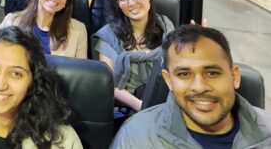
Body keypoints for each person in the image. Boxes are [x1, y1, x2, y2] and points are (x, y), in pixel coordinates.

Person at [112, 24, 271, 148]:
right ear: (169, 81)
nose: (200, 87)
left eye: (212, 73)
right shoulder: (136, 137)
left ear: (234, 76)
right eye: (184, 74)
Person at [92, 0, 174, 112]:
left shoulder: (168, 28)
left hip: (169, 104)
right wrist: (142, 107)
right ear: (118, 4)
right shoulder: (108, 36)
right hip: (126, 110)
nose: (131, 3)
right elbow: (110, 84)